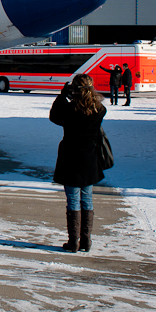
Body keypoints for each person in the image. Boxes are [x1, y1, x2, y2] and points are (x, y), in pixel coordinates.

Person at [48, 74, 107, 253]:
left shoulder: (69, 109)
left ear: (74, 89)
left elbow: (54, 117)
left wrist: (61, 96)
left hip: (71, 158)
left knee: (73, 200)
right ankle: (86, 241)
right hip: (89, 159)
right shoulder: (99, 109)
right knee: (87, 199)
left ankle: (73, 242)